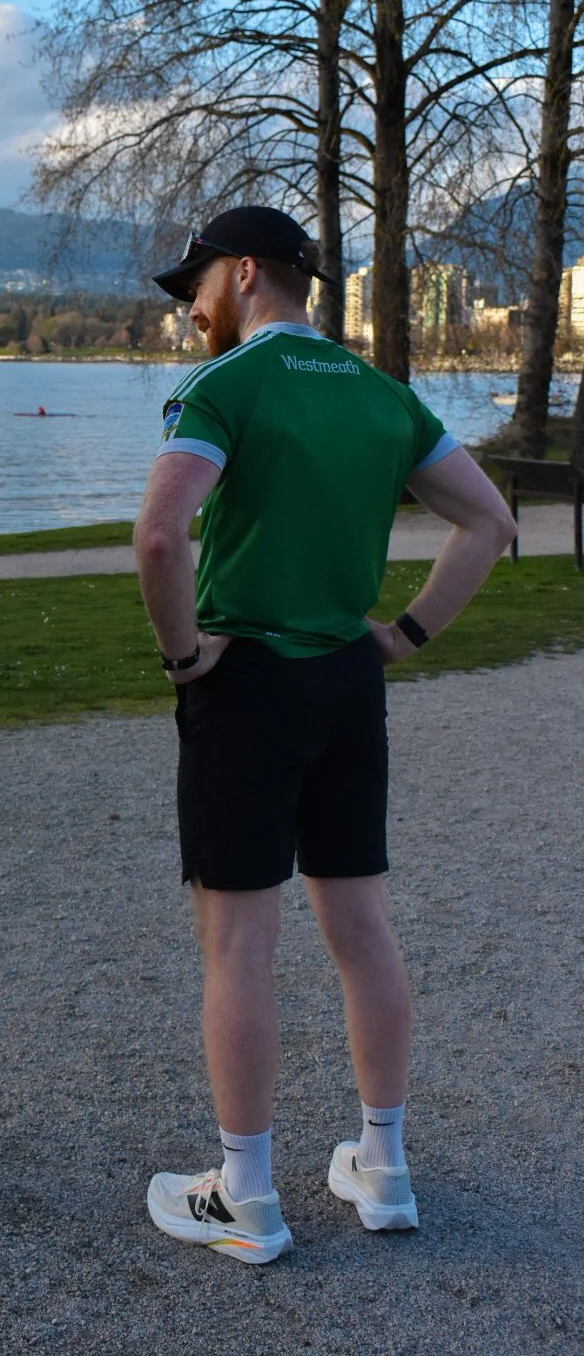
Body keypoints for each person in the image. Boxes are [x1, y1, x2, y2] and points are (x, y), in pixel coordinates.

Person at [133, 206, 516, 1263]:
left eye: (197, 284)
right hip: (349, 678)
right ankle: (382, 1166)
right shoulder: (386, 397)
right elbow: (490, 521)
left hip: (246, 674)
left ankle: (245, 1196)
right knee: (361, 926)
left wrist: (182, 659)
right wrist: (407, 632)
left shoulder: (225, 386)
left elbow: (164, 532)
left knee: (238, 939)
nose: (191, 306)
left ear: (245, 272)